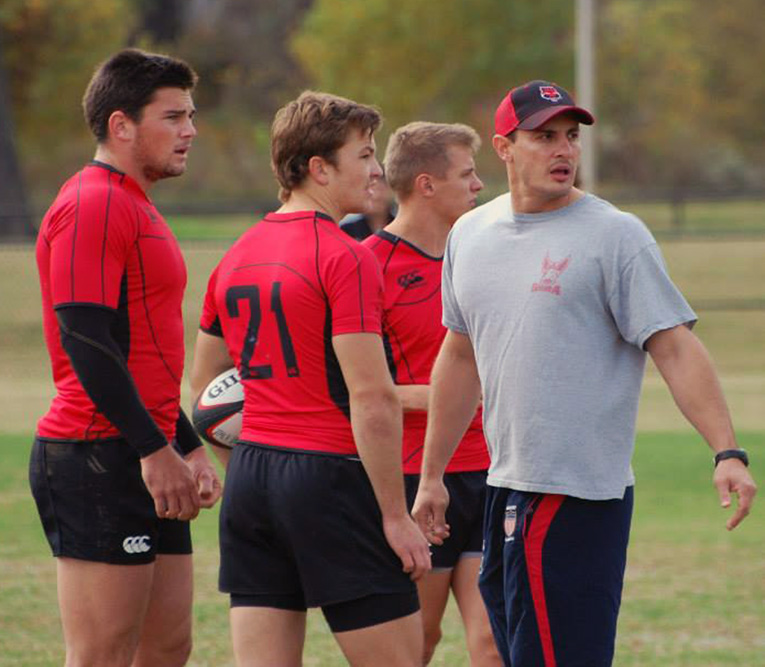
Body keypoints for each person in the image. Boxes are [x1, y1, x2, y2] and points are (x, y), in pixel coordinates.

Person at [411, 80, 757, 667]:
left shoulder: (615, 235)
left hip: (577, 494)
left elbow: (674, 346)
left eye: (570, 136)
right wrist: (432, 475)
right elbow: (461, 357)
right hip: (505, 488)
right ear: (503, 147)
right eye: (543, 137)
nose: (563, 150)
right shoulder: (469, 235)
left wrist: (727, 451)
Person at [190, 90, 431, 667]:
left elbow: (203, 391)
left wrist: (246, 468)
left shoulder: (238, 252)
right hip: (330, 479)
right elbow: (372, 398)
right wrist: (395, 518)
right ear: (318, 168)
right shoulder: (346, 255)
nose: (377, 169)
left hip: (252, 481)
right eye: (366, 155)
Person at [30, 49, 222, 667]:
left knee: (167, 648)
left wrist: (185, 442)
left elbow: (143, 353)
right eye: (173, 116)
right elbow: (84, 336)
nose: (189, 130)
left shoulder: (134, 202)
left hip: (143, 446)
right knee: (103, 655)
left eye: (190, 115)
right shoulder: (94, 202)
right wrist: (152, 449)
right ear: (121, 125)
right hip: (96, 454)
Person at [362, 122, 501, 666]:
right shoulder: (368, 263)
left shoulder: (483, 256)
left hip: (493, 471)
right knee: (416, 642)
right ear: (426, 184)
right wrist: (449, 398)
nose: (479, 186)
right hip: (413, 479)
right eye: (467, 174)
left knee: (494, 643)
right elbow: (352, 389)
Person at [339, 175, 395, 240]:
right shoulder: (348, 228)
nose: (377, 196)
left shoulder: (399, 227)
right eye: (373, 190)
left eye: (381, 190)